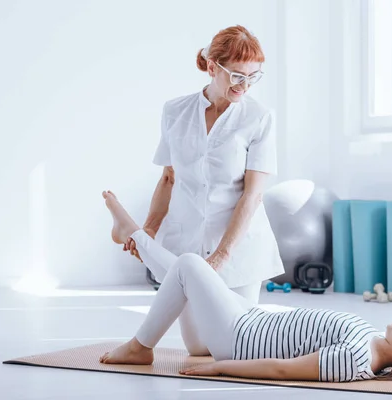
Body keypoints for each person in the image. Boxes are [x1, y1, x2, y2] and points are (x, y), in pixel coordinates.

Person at [100, 190, 392, 383]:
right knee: (188, 272)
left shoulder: (357, 359)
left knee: (191, 266)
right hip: (249, 319)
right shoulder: (373, 342)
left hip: (237, 340)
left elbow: (282, 370)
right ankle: (133, 234)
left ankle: (139, 346)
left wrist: (219, 368)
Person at [119, 25, 285, 356]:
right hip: (188, 243)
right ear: (212, 67)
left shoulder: (259, 117)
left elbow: (252, 195)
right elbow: (168, 178)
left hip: (238, 248)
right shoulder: (175, 111)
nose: (245, 85)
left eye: (253, 76)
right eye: (238, 75)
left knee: (235, 346)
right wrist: (149, 231)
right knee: (197, 348)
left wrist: (222, 254)